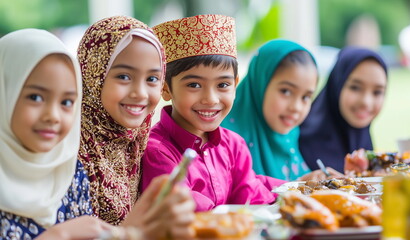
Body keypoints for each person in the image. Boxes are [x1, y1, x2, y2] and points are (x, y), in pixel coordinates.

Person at [142, 14, 286, 212]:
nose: (210, 99)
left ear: (235, 85)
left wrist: (298, 190)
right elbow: (187, 211)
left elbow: (249, 196)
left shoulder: (234, 145)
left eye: (222, 85)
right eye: (194, 84)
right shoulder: (157, 152)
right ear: (165, 88)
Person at [77, 16, 195, 238]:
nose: (140, 93)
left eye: (152, 79)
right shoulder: (72, 152)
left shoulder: (135, 142)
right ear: (93, 74)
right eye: (123, 76)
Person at [0, 28, 116, 239]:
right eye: (35, 97)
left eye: (66, 102)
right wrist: (59, 235)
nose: (53, 116)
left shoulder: (68, 170)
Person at [221, 40, 343, 181]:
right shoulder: (223, 140)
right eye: (285, 91)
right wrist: (296, 186)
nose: (296, 107)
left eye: (305, 97)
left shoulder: (289, 136)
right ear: (260, 83)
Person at [299, 46, 388, 173]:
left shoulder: (365, 146)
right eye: (355, 87)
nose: (366, 102)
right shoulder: (298, 142)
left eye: (377, 92)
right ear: (337, 85)